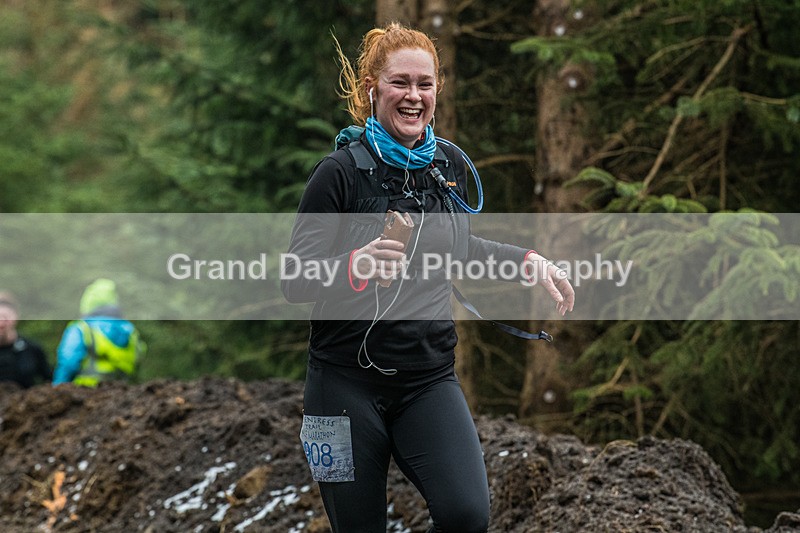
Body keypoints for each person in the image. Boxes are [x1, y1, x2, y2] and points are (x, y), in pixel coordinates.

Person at [282, 23, 574, 533]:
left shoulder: (449, 166)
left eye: (425, 83)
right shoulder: (339, 173)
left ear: (438, 89)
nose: (413, 96)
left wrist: (528, 261)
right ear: (372, 87)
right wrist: (354, 266)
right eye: (400, 83)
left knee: (466, 516)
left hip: (427, 380)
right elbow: (294, 279)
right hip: (341, 386)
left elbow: (459, 250)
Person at [53, 278, 145, 387]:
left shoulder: (82, 328)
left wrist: (57, 389)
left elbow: (68, 362)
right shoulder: (130, 330)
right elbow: (138, 358)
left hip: (85, 394)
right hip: (122, 392)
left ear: (87, 302)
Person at [0, 291, 52, 389]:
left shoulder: (32, 349)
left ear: (15, 317)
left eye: (5, 318)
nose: (1, 324)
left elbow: (49, 380)